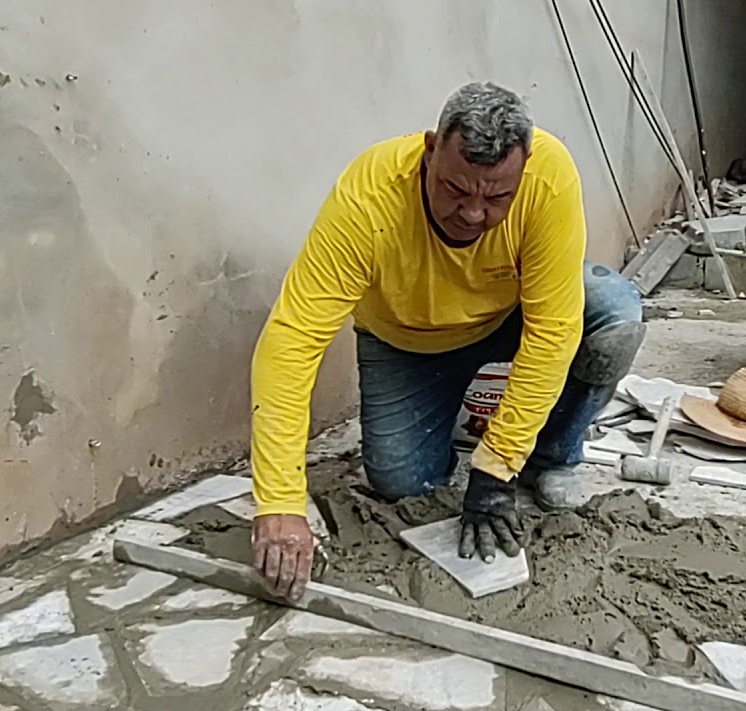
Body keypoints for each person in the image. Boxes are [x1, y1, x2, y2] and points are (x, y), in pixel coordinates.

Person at [249, 82, 645, 600]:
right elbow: (294, 336)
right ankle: (457, 412)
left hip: (509, 314)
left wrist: (498, 467)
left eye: (498, 196)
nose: (475, 214)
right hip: (409, 340)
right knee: (400, 483)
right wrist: (280, 501)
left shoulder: (548, 174)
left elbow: (552, 331)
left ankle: (551, 455)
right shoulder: (370, 195)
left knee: (613, 315)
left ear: (522, 169)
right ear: (431, 151)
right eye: (456, 191)